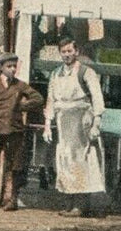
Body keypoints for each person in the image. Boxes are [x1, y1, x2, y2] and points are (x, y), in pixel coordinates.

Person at [42, 35, 106, 217]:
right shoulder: (56, 74)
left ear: (76, 52)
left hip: (81, 119)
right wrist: (47, 124)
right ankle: (69, 203)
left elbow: (97, 98)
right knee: (65, 160)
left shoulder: (86, 72)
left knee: (80, 160)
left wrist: (96, 124)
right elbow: (51, 99)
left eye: (70, 51)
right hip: (63, 121)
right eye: (63, 52)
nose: (67, 54)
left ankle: (80, 205)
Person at [0, 53, 45, 211]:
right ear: (1, 67)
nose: (12, 69)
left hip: (15, 131)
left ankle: (13, 199)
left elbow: (38, 98)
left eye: (14, 66)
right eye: (9, 66)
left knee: (15, 165)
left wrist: (22, 106)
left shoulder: (20, 85)